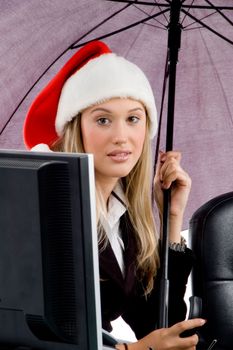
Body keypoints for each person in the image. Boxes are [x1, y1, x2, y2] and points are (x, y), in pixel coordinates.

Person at [23, 40, 206, 350]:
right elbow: (39, 336)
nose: (121, 137)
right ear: (75, 128)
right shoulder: (48, 212)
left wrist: (171, 218)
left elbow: (161, 328)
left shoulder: (123, 215)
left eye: (133, 118)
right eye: (103, 120)